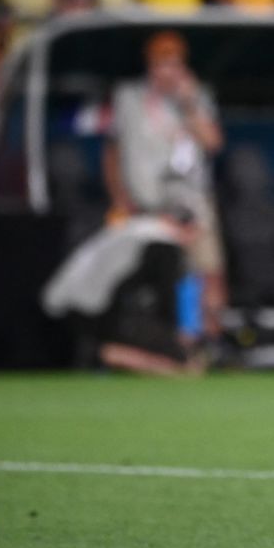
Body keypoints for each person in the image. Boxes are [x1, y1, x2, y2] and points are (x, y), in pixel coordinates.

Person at [102, 31, 226, 356]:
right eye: (160, 64)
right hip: (144, 205)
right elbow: (112, 152)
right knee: (154, 274)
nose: (166, 71)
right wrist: (119, 198)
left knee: (207, 269)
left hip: (190, 202)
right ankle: (167, 340)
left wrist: (188, 103)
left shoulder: (196, 96)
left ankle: (210, 340)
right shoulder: (128, 97)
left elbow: (212, 142)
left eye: (173, 64)